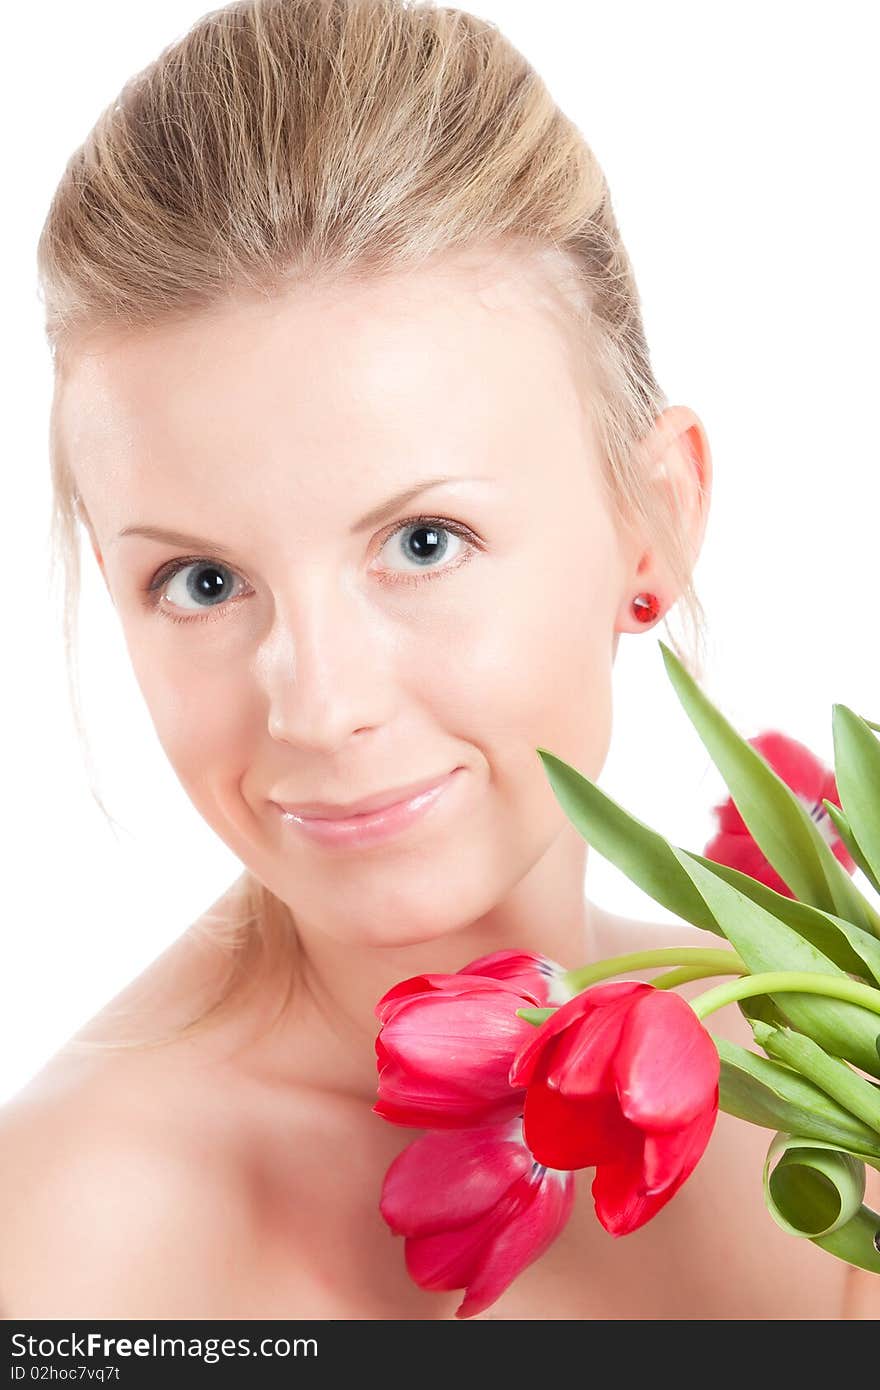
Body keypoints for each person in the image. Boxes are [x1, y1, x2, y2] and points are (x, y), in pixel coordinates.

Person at [1, 0, 876, 1318]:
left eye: (423, 540)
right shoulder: (76, 1238)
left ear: (654, 522)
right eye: (201, 580)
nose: (321, 702)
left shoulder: (828, 1091)